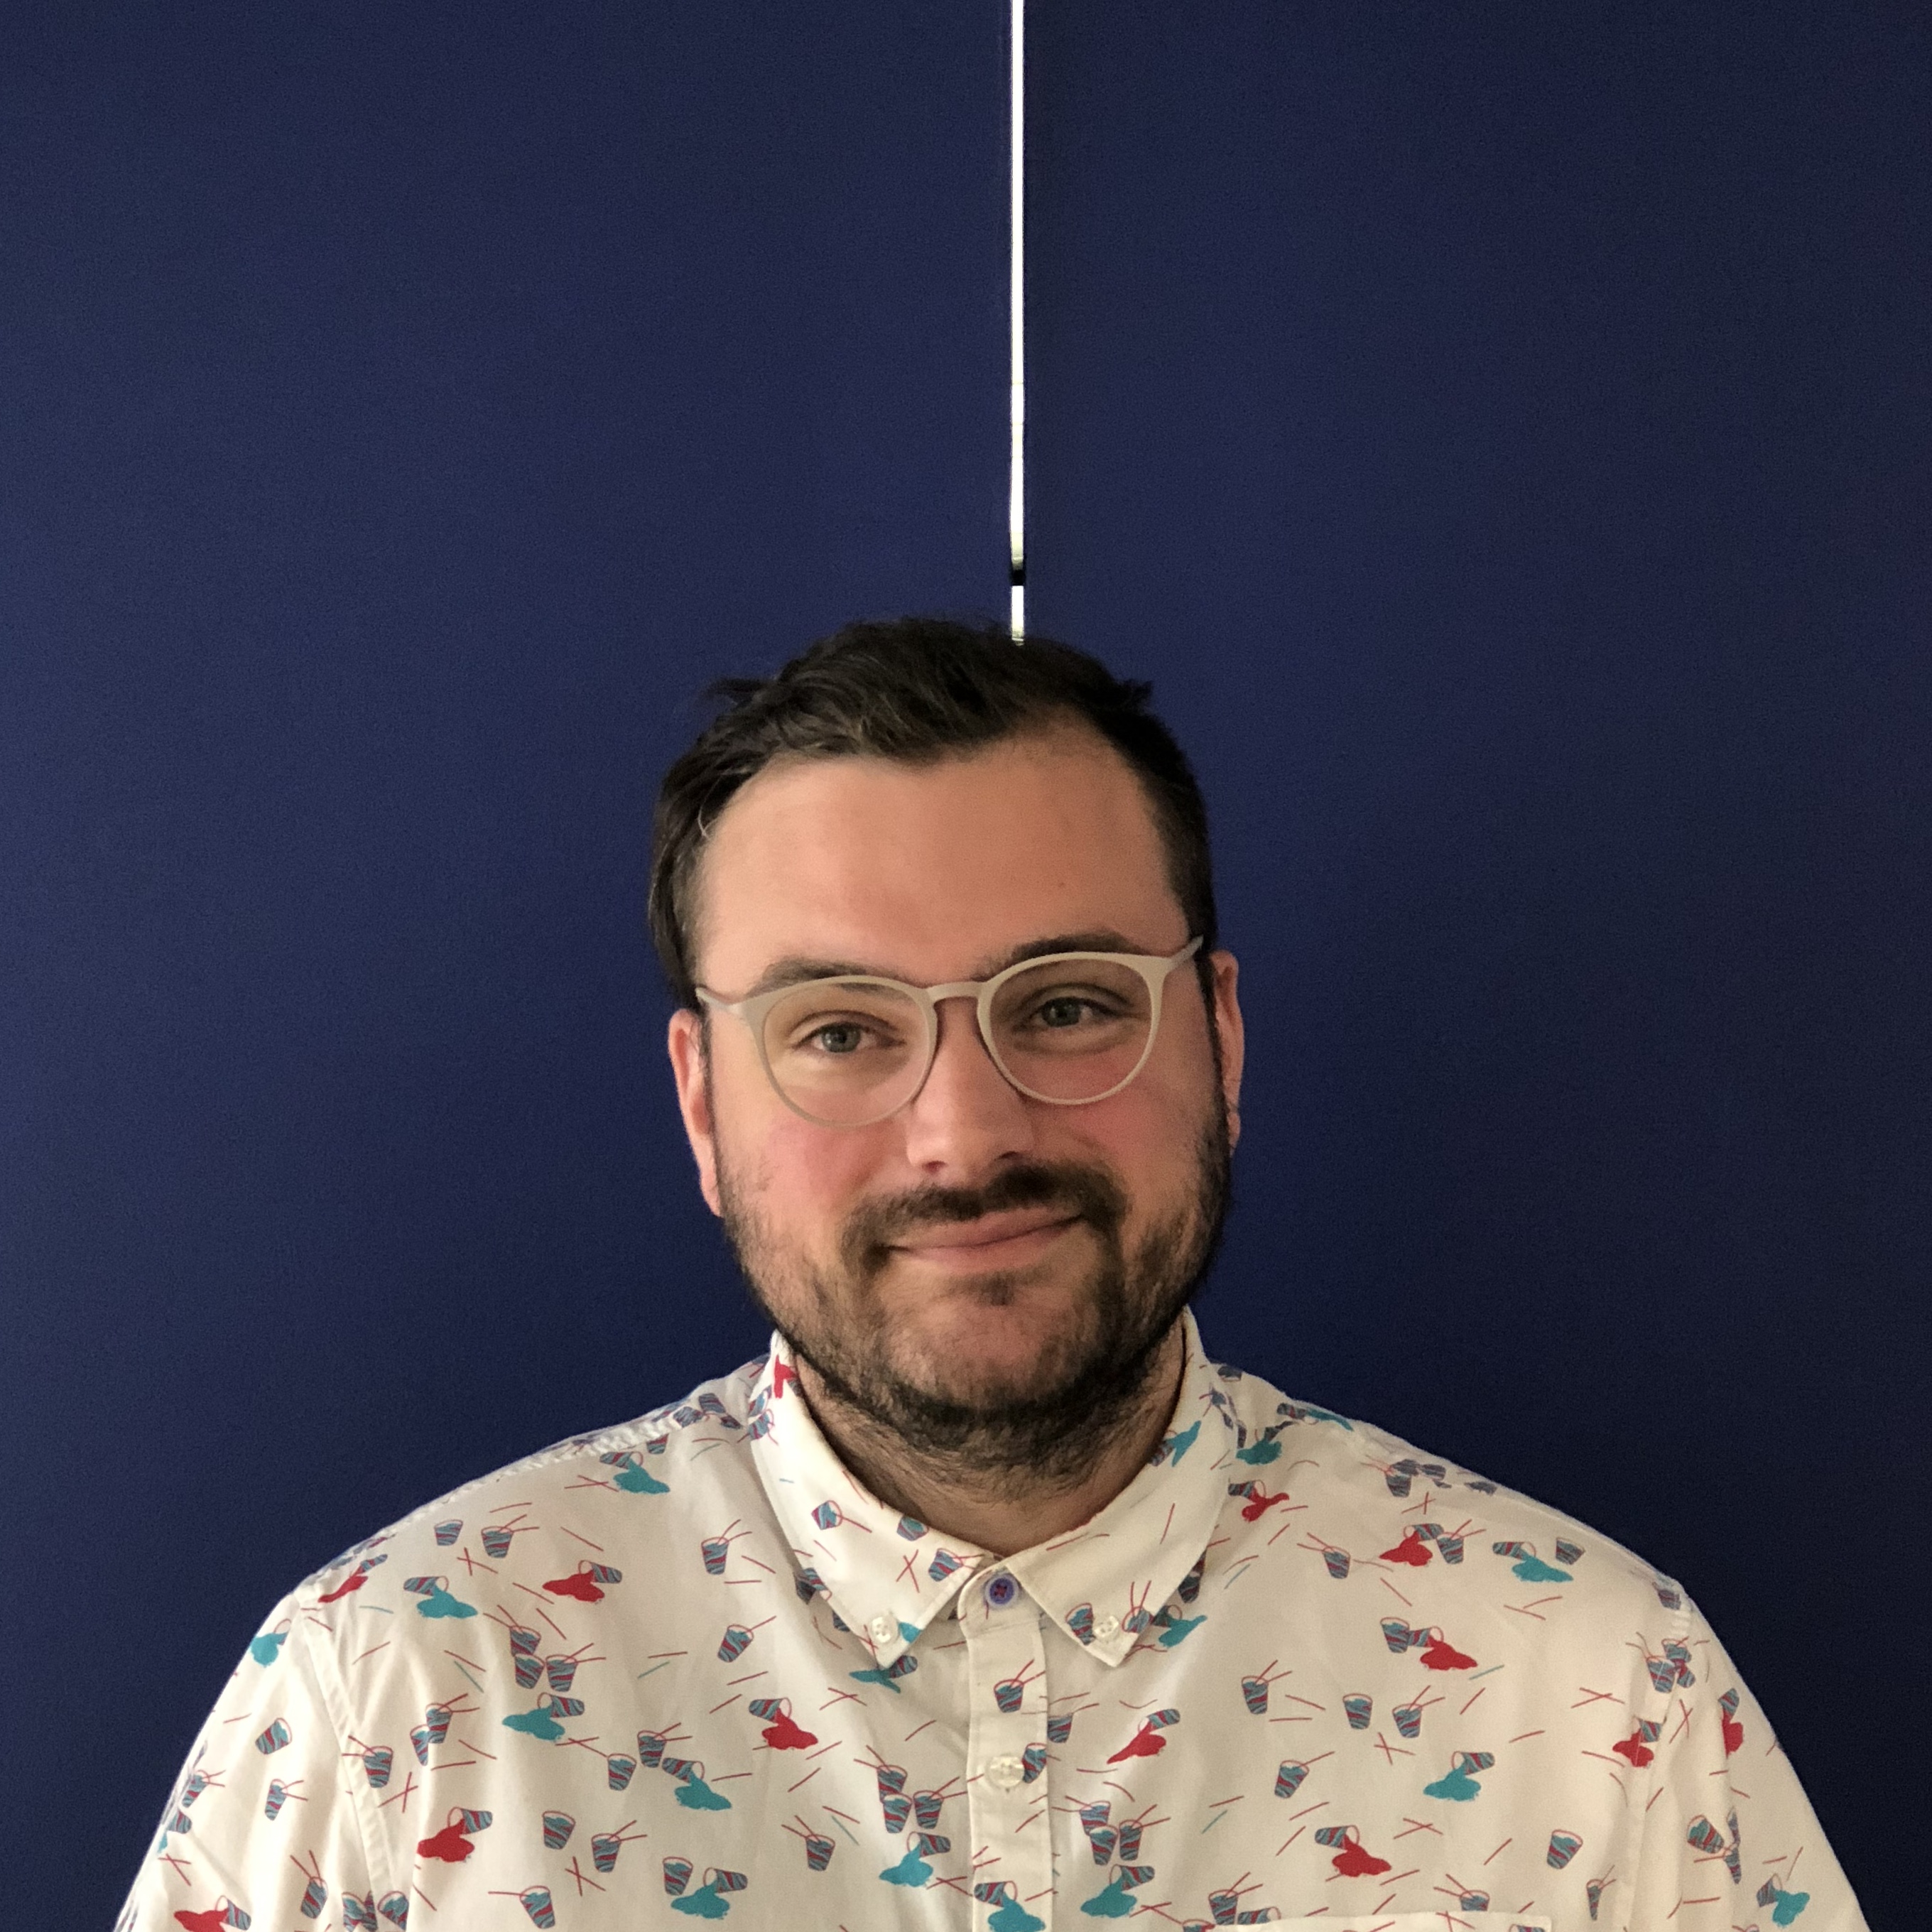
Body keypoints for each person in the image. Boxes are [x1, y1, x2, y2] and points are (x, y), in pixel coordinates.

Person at [118, 618, 1864, 1931]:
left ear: (1220, 1041)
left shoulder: (1593, 1691)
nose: (962, 1134)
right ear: (702, 1104)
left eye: (1070, 1003)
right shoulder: (393, 1698)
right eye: (840, 1030)